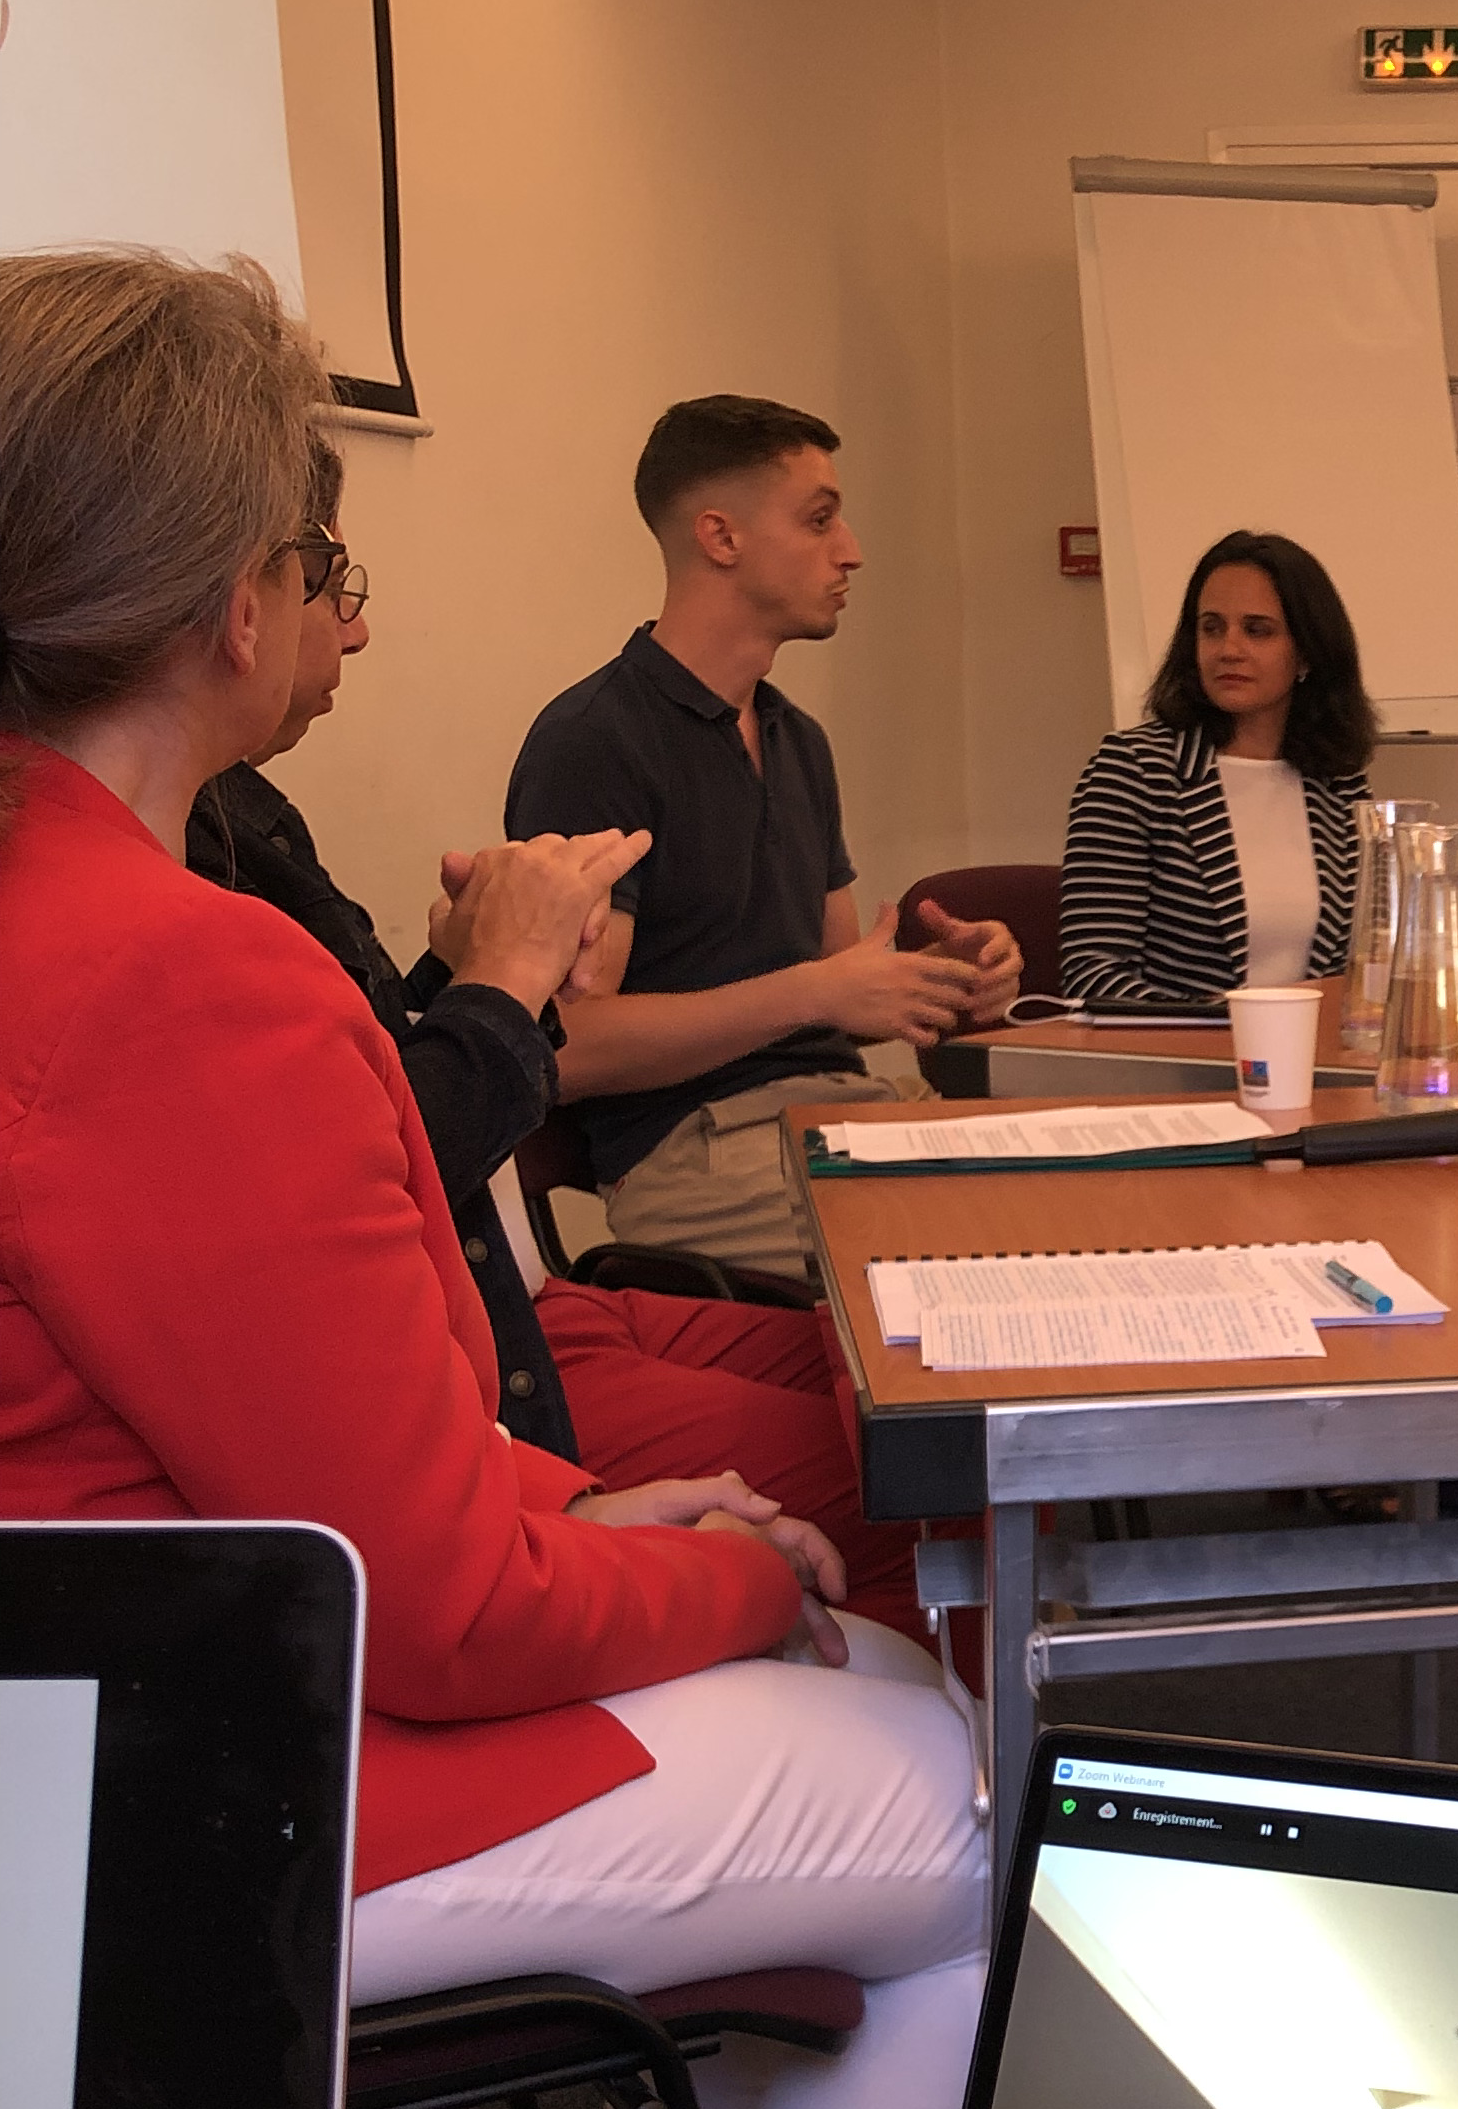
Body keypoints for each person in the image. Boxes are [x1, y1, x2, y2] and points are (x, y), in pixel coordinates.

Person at [0, 251, 987, 2109]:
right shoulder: (178, 976)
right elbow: (432, 1619)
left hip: (97, 1740)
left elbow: (279, 1462)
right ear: (229, 603)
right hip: (199, 1802)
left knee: (853, 1707)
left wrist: (588, 1517)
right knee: (963, 1792)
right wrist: (747, 1577)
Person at [187, 442, 934, 1641]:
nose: (356, 629)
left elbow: (365, 1088)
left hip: (529, 1293)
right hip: (512, 1317)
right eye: (328, 579)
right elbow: (368, 1176)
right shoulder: (181, 875)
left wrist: (473, 972)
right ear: (231, 605)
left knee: (910, 1362)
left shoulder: (239, 815)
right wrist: (506, 980)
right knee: (921, 1465)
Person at [507, 395, 1022, 1283]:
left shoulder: (798, 740)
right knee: (993, 1261)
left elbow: (836, 1000)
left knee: (1103, 1203)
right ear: (721, 537)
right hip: (696, 1149)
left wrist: (938, 984)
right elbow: (568, 1047)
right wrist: (820, 990)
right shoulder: (597, 741)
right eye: (819, 520)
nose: (851, 548)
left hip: (844, 1110)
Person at [1059, 531, 1371, 1011]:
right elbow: (1092, 971)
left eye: (1257, 630)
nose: (1228, 649)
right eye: (1211, 627)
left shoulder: (1337, 780)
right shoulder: (1135, 771)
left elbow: (1361, 960)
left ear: (1307, 653)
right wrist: (1224, 1030)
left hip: (1312, 1059)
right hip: (1174, 1066)